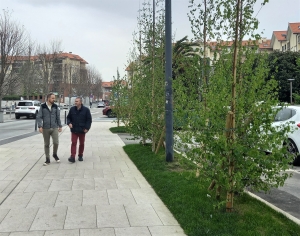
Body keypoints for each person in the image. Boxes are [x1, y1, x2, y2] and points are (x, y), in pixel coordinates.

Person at [36, 93, 62, 166]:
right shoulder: (43, 106)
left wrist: (60, 126)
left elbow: (58, 117)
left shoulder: (55, 106)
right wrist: (40, 126)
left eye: (54, 98)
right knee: (46, 144)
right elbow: (39, 117)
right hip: (46, 128)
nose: (54, 99)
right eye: (53, 98)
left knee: (56, 142)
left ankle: (54, 154)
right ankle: (47, 159)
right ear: (48, 98)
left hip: (54, 127)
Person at [67, 97, 92, 163]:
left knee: (82, 143)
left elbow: (89, 120)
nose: (75, 102)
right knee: (74, 143)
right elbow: (68, 118)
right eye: (75, 101)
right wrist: (69, 123)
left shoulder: (86, 110)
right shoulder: (72, 109)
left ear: (81, 102)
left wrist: (87, 128)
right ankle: (72, 157)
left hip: (82, 130)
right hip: (74, 130)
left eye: (77, 101)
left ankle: (80, 155)